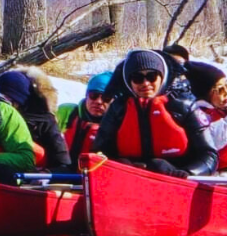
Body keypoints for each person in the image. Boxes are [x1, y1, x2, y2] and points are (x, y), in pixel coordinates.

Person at [92, 49, 217, 177]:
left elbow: (209, 155)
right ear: (129, 81)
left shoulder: (185, 107)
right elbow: (99, 153)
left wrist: (188, 173)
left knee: (159, 165)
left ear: (162, 77)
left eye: (152, 76)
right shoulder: (117, 110)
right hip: (129, 178)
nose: (145, 83)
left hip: (176, 179)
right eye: (137, 78)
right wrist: (120, 165)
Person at [0, 68, 73, 172]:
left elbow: (63, 164)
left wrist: (46, 174)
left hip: (31, 178)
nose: (3, 105)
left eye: (8, 100)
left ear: (21, 102)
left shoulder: (45, 122)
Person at [56, 71, 113, 169]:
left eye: (106, 98)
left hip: (93, 174)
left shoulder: (117, 123)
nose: (98, 102)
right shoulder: (66, 112)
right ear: (86, 95)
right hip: (60, 170)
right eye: (93, 95)